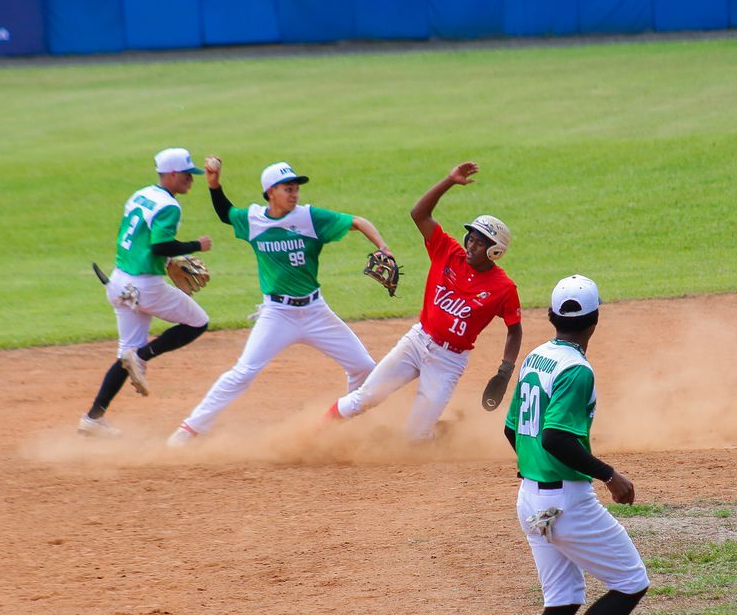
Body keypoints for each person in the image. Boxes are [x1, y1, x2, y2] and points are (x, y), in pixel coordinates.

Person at [501, 274, 650, 615]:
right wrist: (610, 475)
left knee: (562, 601)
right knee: (631, 581)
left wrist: (534, 465)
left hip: (530, 498)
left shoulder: (537, 357)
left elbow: (513, 430)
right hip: (566, 501)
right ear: (595, 319)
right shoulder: (576, 370)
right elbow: (557, 437)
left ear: (549, 317)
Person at [169, 158, 394, 446]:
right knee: (242, 374)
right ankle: (187, 432)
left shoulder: (310, 217)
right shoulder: (254, 220)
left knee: (364, 367)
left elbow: (358, 222)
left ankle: (348, 427)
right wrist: (214, 184)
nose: (295, 194)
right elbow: (227, 214)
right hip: (277, 314)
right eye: (288, 188)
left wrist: (383, 247)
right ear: (270, 192)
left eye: (296, 189)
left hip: (315, 312)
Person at [327, 161, 523, 440]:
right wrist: (449, 180)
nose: (471, 244)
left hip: (449, 360)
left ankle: (442, 434)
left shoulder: (503, 288)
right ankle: (312, 434)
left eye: (480, 242)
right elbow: (419, 214)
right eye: (471, 237)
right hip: (417, 340)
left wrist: (505, 370)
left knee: (414, 438)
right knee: (363, 398)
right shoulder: (448, 251)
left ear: (495, 252)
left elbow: (515, 328)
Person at [79, 147, 214, 436]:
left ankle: (93, 418)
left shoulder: (140, 195)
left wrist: (166, 262)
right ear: (173, 174)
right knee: (198, 322)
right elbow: (159, 246)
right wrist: (196, 245)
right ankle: (143, 356)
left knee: (124, 355)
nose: (192, 180)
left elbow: (139, 240)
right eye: (188, 175)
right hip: (145, 286)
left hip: (118, 282)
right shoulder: (169, 206)